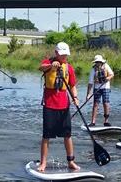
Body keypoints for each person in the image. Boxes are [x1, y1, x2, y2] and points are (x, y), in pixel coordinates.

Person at [37, 42, 80, 172]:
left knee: (67, 134)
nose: (64, 57)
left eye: (65, 54)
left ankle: (71, 161)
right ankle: (43, 163)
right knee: (47, 135)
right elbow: (41, 68)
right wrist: (51, 66)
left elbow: (72, 85)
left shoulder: (69, 68)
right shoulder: (48, 62)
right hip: (50, 105)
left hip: (64, 105)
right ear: (56, 53)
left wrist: (75, 98)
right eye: (61, 54)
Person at [86, 55, 114, 127]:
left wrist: (108, 78)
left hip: (105, 87)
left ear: (101, 62)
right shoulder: (93, 69)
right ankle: (93, 122)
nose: (98, 63)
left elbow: (112, 74)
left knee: (106, 103)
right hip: (97, 88)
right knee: (95, 104)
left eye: (99, 62)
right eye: (97, 62)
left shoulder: (106, 66)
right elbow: (90, 83)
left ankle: (106, 121)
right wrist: (88, 94)